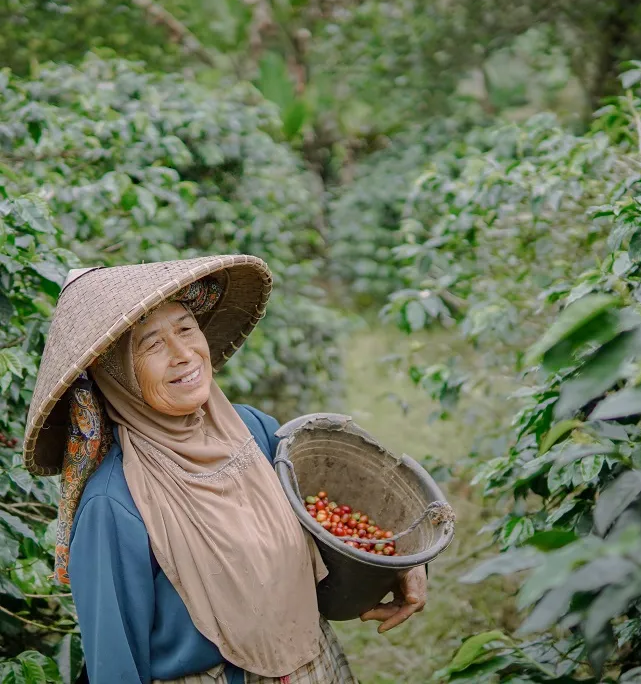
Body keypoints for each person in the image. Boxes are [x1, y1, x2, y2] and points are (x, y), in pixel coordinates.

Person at [23, 255, 426, 683]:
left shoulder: (254, 431)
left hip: (310, 660)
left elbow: (330, 527)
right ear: (116, 375)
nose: (183, 354)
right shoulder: (113, 503)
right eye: (152, 345)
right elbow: (114, 661)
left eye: (185, 328)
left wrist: (398, 563)